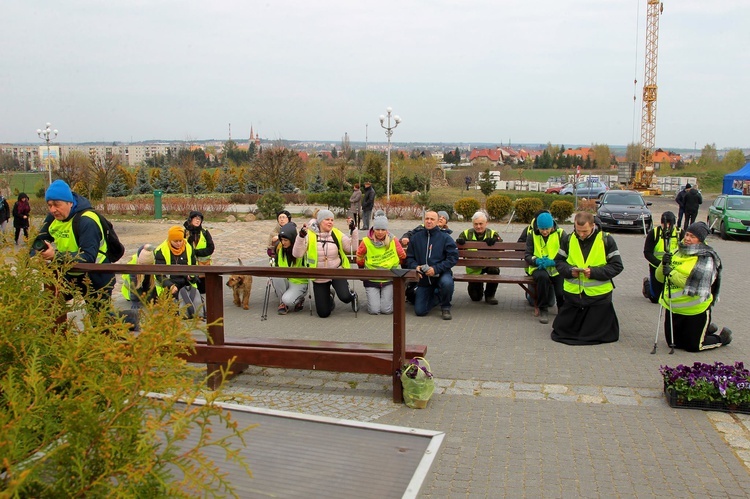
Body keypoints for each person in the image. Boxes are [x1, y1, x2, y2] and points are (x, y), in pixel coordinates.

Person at [31, 180, 115, 306]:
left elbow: (88, 258)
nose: (53, 210)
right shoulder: (53, 217)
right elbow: (39, 240)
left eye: (56, 204)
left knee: (102, 320)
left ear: (69, 203)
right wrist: (34, 254)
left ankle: (128, 320)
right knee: (50, 305)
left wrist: (55, 255)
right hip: (70, 272)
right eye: (49, 205)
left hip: (96, 274)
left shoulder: (87, 221)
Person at [656, 221, 732, 351]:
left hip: (695, 310)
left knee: (693, 347)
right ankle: (706, 330)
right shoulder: (676, 252)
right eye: (687, 235)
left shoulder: (706, 258)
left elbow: (694, 284)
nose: (687, 239)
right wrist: (663, 264)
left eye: (692, 237)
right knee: (674, 344)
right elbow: (659, 277)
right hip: (673, 308)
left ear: (700, 240)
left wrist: (672, 273)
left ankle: (722, 338)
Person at [551, 211, 623, 345]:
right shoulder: (568, 239)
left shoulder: (606, 240)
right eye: (578, 230)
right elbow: (559, 262)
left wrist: (594, 272)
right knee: (560, 331)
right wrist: (569, 271)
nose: (581, 234)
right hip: (573, 294)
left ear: (593, 226)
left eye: (585, 231)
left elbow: (617, 266)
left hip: (599, 296)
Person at [293, 209, 358, 318]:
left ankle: (353, 296)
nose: (330, 222)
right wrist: (300, 237)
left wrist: (354, 230)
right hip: (319, 274)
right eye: (327, 219)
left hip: (336, 270)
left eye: (332, 220)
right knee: (323, 313)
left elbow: (352, 248)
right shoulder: (309, 234)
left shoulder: (336, 233)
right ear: (319, 221)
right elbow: (297, 254)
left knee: (345, 297)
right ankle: (329, 297)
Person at [405, 210, 458, 320]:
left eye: (432, 219)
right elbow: (409, 258)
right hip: (424, 278)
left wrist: (436, 269)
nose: (429, 221)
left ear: (438, 221)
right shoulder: (416, 238)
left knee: (447, 283)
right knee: (420, 311)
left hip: (442, 273)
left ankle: (445, 306)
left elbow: (453, 258)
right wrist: (415, 267)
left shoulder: (445, 238)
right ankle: (438, 296)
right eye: (427, 219)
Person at [356, 214, 407, 315]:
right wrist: (361, 269)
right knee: (374, 311)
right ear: (373, 229)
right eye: (377, 229)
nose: (380, 232)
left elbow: (402, 256)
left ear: (386, 230)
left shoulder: (393, 240)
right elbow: (359, 256)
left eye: (383, 229)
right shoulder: (366, 241)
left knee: (386, 310)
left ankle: (390, 298)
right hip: (372, 279)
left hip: (390, 279)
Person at [154, 225, 204, 319]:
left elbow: (193, 266)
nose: (178, 243)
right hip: (170, 283)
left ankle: (193, 311)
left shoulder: (188, 247)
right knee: (175, 309)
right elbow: (159, 274)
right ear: (170, 240)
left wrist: (192, 277)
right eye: (175, 241)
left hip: (185, 281)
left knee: (195, 303)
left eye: (180, 241)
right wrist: (170, 285)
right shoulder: (161, 251)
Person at [524, 211, 566, 324]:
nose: (545, 231)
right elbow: (527, 255)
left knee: (560, 291)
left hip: (556, 268)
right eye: (542, 229)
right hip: (539, 268)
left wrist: (554, 262)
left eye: (547, 228)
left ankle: (562, 310)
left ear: (552, 225)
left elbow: (566, 253)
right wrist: (536, 261)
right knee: (542, 279)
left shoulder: (561, 234)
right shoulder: (532, 234)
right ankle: (543, 309)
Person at [455, 211, 501, 305]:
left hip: (488, 265)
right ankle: (477, 288)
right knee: (476, 298)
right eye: (476, 224)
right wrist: (460, 242)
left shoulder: (493, 234)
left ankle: (490, 295)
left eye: (481, 224)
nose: (478, 226)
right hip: (473, 268)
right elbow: (457, 248)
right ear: (473, 224)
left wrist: (495, 242)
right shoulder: (466, 233)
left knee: (494, 269)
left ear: (486, 223)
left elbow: (501, 249)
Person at [642, 211, 681, 304]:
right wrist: (660, 264)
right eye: (664, 223)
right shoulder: (654, 233)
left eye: (669, 223)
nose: (666, 226)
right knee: (655, 298)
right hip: (656, 266)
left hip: (673, 268)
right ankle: (647, 284)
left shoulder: (680, 233)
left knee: (670, 296)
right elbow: (647, 253)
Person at [272, 222, 308, 314]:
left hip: (298, 282)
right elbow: (277, 266)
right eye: (281, 240)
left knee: (288, 300)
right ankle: (283, 303)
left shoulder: (300, 250)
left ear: (292, 239)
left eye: (285, 240)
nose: (283, 242)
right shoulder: (281, 250)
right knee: (276, 276)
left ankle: (298, 299)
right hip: (286, 280)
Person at [183, 210, 215, 294]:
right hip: (189, 267)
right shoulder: (185, 232)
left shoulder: (204, 232)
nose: (198, 221)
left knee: (202, 291)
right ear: (190, 219)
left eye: (200, 219)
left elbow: (211, 248)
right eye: (196, 218)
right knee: (189, 291)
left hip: (203, 267)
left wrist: (196, 252)